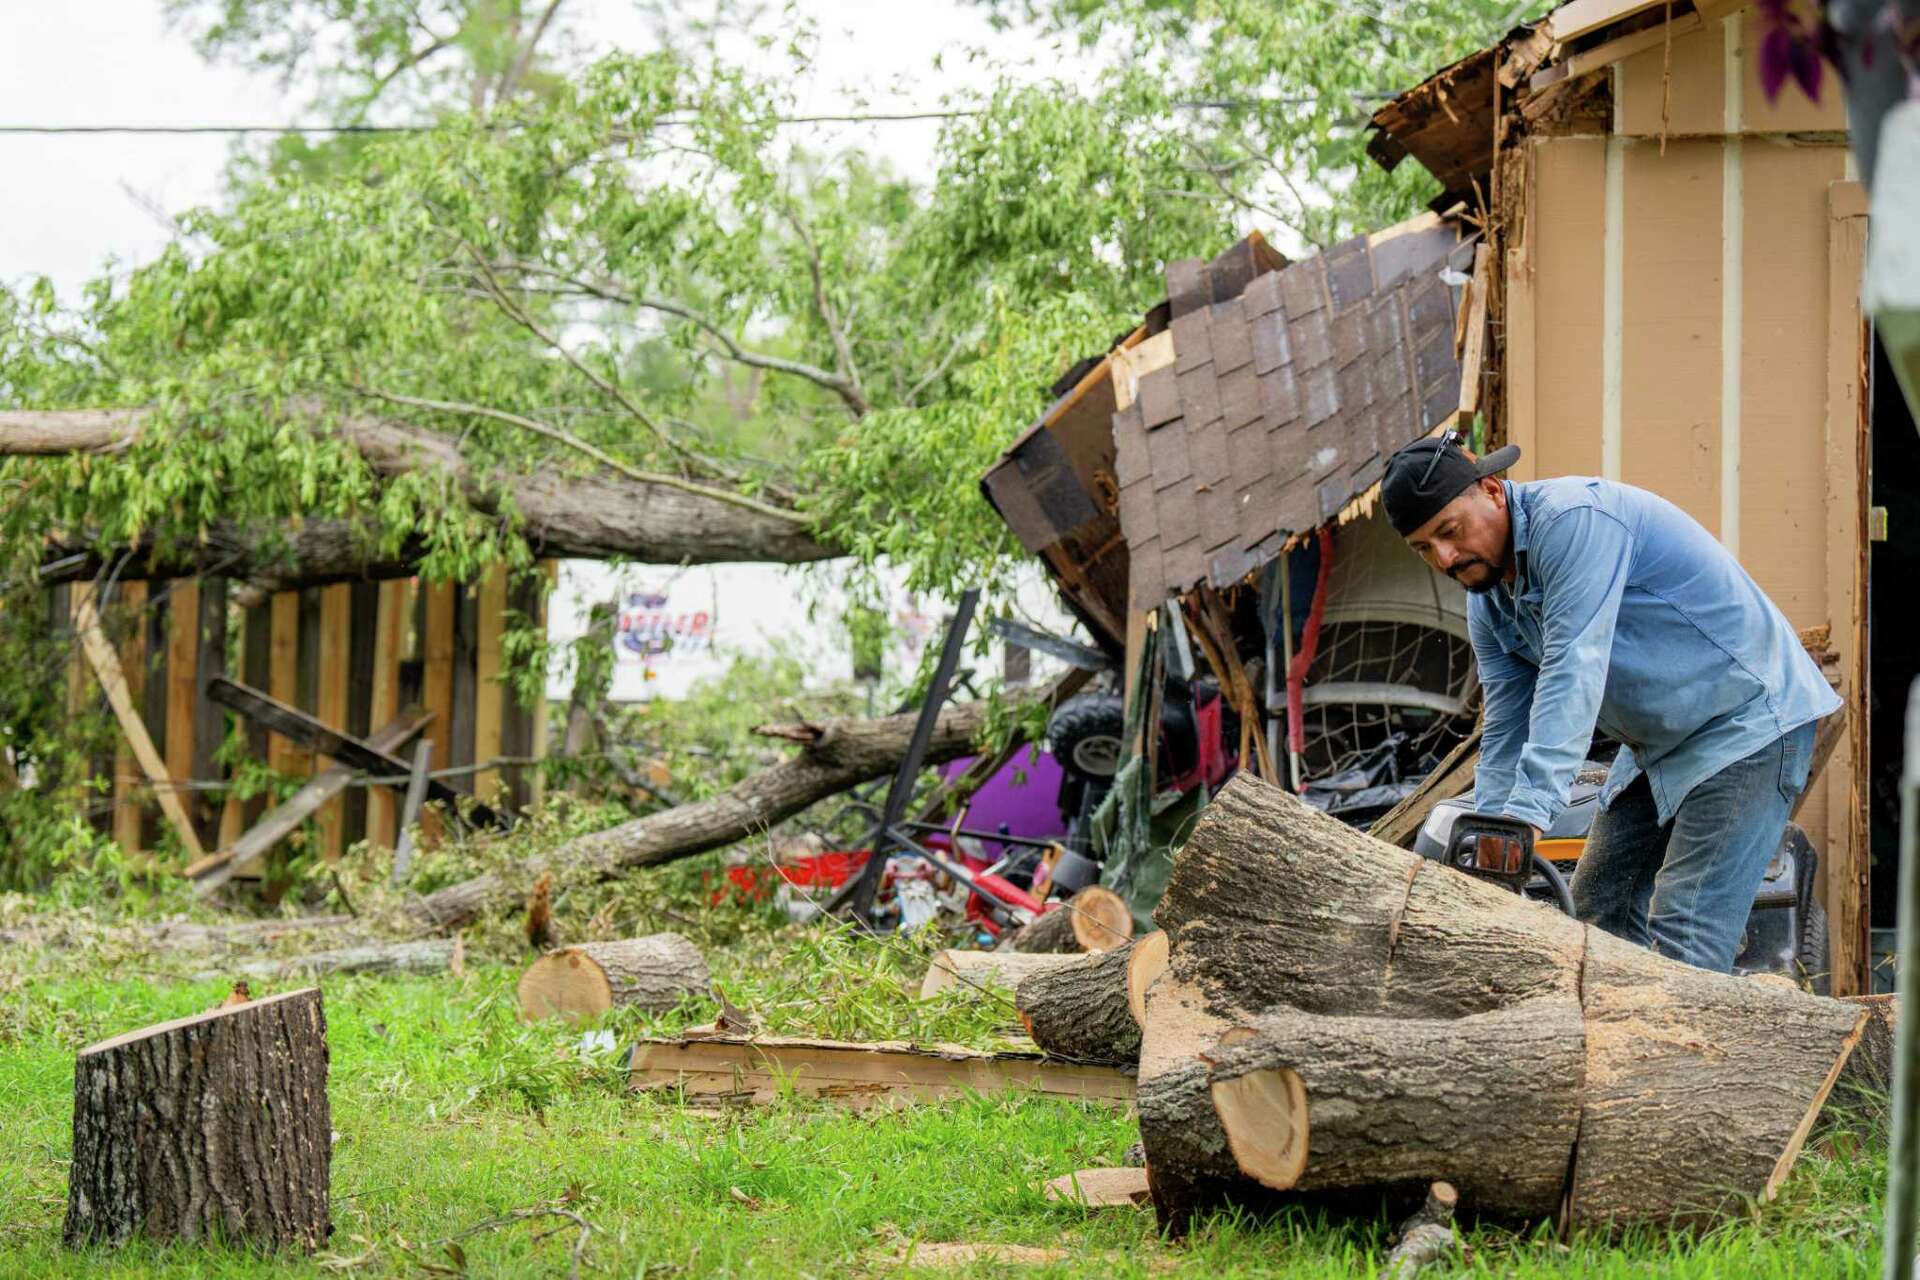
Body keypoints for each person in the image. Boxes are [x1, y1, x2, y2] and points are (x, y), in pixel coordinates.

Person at [1379, 434, 1839, 973]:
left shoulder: (1573, 522)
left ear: (1492, 490)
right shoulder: (1490, 603)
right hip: (1661, 743)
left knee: (1686, 932)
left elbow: (1575, 667)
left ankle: (1686, 1052)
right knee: (1602, 909)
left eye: (1449, 533)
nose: (1445, 558)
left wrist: (1527, 817)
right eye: (1423, 549)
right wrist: (1492, 839)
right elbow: (1507, 726)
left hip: (1748, 723)